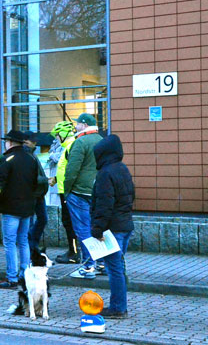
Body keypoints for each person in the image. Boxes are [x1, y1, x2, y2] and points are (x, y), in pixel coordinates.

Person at [91, 135, 135, 319]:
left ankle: (118, 307)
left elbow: (104, 204)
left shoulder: (105, 173)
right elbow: (130, 196)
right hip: (125, 226)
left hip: (112, 229)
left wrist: (97, 229)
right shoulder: (122, 169)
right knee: (120, 268)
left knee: (114, 269)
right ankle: (120, 305)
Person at [0, 130, 37, 289]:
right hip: (27, 207)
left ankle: (11, 277)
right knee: (23, 241)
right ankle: (25, 275)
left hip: (10, 207)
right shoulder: (31, 159)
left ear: (10, 142)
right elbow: (36, 183)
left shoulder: (7, 159)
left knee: (10, 242)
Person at [65, 113, 104, 279]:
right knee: (99, 228)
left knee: (83, 230)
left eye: (77, 124)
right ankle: (102, 263)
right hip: (98, 192)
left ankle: (88, 267)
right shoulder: (101, 140)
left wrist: (67, 190)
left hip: (79, 192)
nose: (76, 126)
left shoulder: (80, 142)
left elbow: (72, 169)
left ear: (84, 124)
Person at [48, 121, 79, 264]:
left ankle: (74, 253)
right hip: (64, 190)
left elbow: (72, 171)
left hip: (68, 191)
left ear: (63, 134)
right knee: (69, 222)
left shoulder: (71, 147)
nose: (56, 138)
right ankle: (74, 251)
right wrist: (55, 178)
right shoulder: (68, 147)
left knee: (70, 222)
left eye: (57, 135)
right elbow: (64, 169)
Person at [24, 133, 48, 251]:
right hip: (32, 193)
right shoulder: (27, 154)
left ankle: (33, 245)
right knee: (32, 222)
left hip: (38, 193)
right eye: (29, 142)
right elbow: (29, 177)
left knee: (42, 219)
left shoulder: (32, 154)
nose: (34, 143)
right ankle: (31, 247)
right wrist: (45, 180)